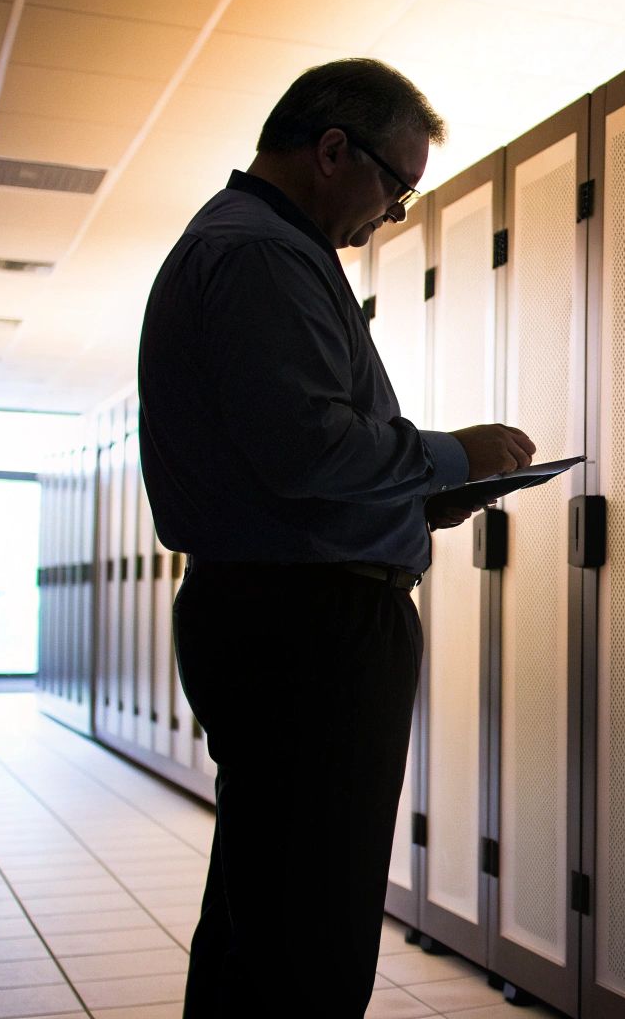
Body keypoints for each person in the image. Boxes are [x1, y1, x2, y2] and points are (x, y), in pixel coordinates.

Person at [137, 58, 533, 1016]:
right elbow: (306, 446)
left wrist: (416, 506)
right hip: (307, 628)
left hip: (277, 612)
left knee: (262, 910)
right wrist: (451, 455)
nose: (391, 216)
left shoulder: (248, 246)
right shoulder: (265, 255)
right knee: (310, 929)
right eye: (396, 187)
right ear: (330, 151)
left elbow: (282, 464)